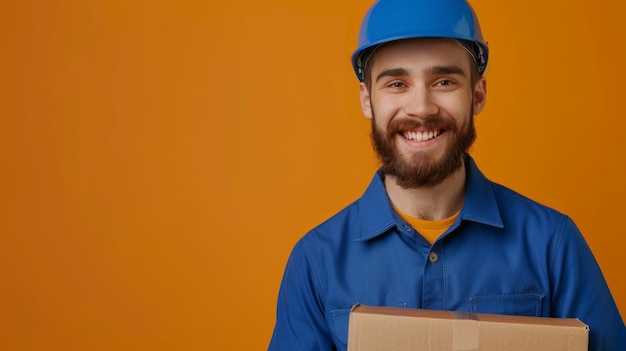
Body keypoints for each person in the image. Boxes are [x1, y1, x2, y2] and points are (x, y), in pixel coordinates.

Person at [268, 0, 626, 350]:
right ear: (367, 100)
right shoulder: (316, 261)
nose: (421, 108)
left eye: (443, 82)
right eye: (396, 84)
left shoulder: (552, 244)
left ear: (478, 94)